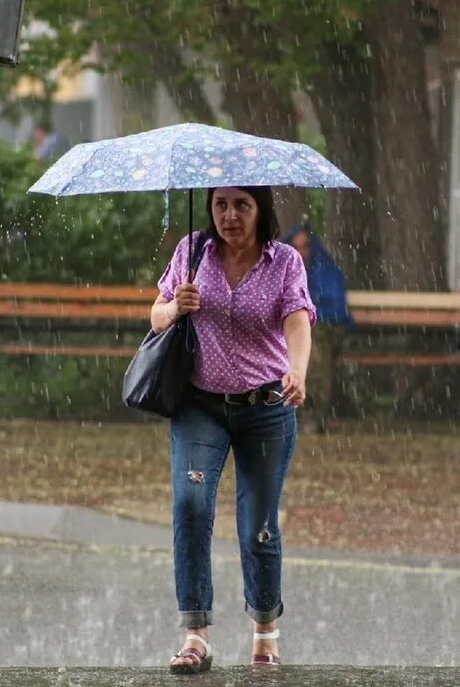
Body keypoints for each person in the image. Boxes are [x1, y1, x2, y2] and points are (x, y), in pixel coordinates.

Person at [150, 186, 315, 674]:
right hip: (199, 406)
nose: (229, 215)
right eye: (220, 205)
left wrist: (298, 371)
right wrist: (176, 306)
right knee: (190, 506)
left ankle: (265, 630)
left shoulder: (283, 261)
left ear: (260, 210)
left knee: (258, 525)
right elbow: (156, 316)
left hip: (265, 408)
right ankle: (195, 635)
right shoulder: (192, 251)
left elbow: (298, 319)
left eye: (241, 205)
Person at [282, 224, 352, 425]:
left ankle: (311, 413)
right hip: (289, 330)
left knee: (315, 354)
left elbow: (335, 308)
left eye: (305, 246)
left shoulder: (325, 270)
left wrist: (306, 317)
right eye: (295, 247)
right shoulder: (283, 271)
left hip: (323, 329)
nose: (300, 252)